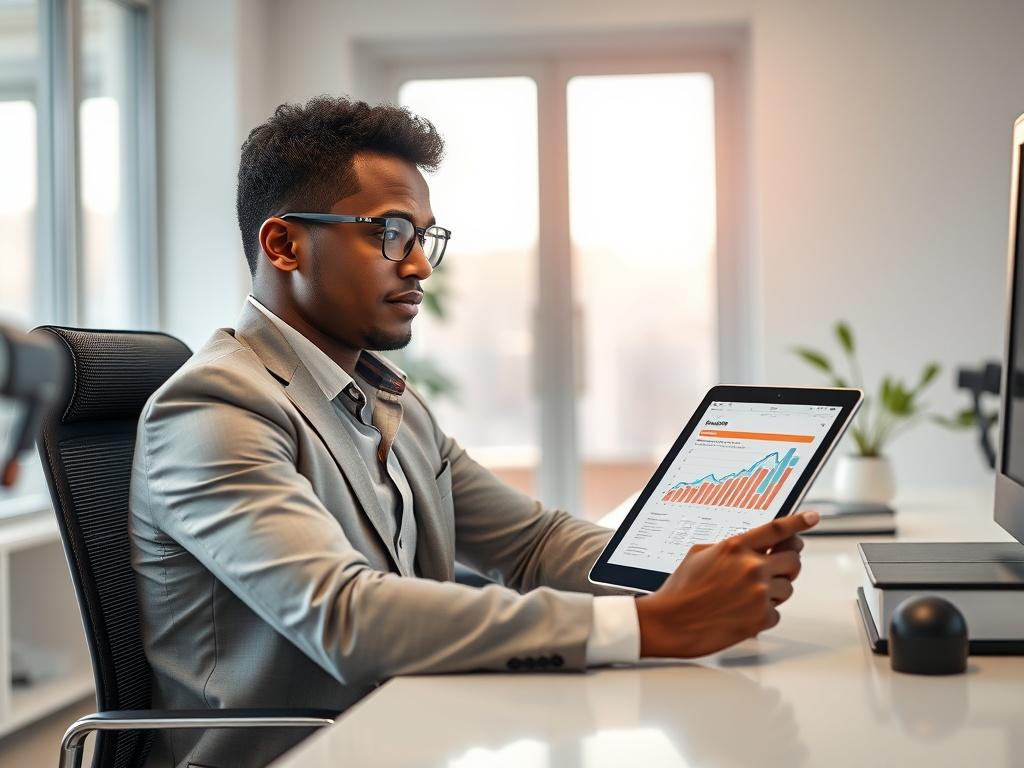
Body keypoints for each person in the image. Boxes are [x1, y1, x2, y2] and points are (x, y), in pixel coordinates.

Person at [129, 95, 818, 768]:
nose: (420, 265)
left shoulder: (385, 400)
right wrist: (651, 624)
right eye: (390, 233)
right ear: (284, 245)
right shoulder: (214, 408)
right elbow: (343, 615)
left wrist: (694, 570)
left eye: (424, 237)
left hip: (408, 730)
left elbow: (532, 543)